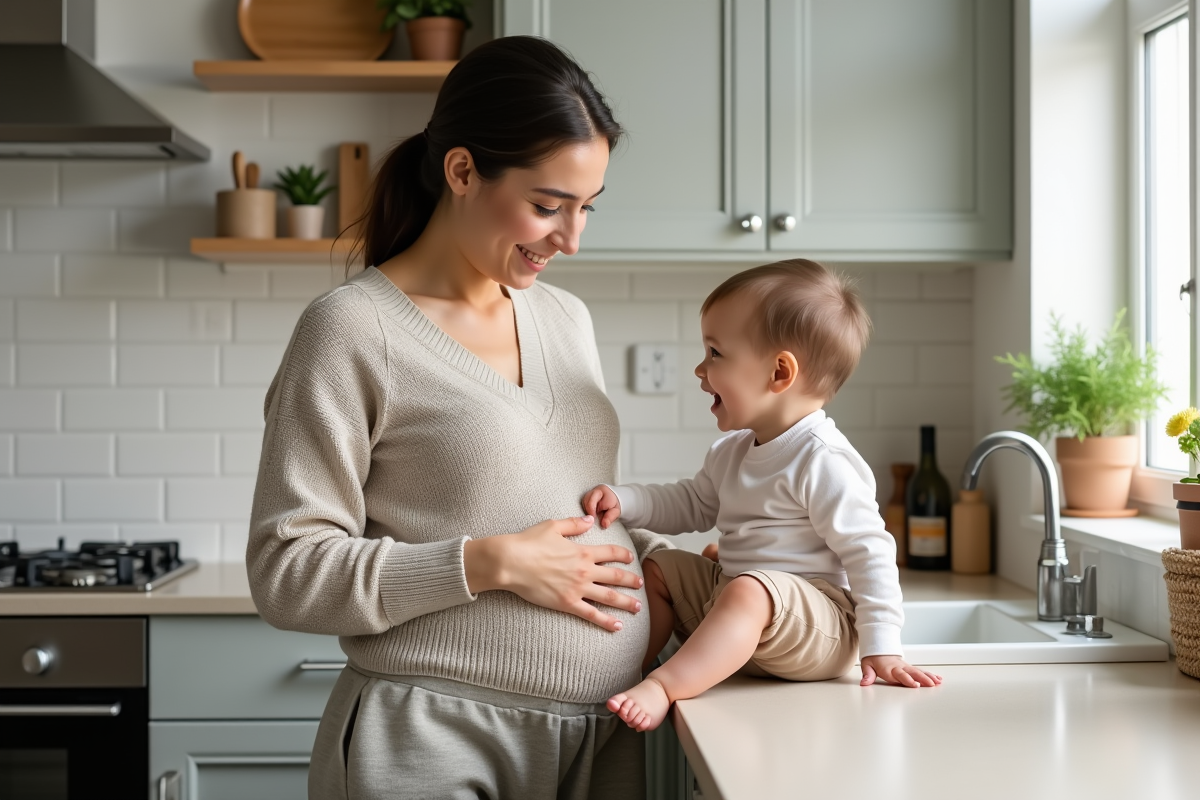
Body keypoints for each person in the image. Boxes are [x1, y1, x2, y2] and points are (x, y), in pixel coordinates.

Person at [246, 36, 668, 800]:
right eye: (547, 206)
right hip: (432, 739)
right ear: (463, 171)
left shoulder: (567, 320)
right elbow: (287, 572)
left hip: (603, 734)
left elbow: (575, 510)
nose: (571, 240)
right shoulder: (351, 330)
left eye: (586, 210)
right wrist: (490, 563)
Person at [582, 259, 943, 733]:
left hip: (819, 625)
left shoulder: (824, 458)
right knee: (662, 567)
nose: (699, 368)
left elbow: (870, 551)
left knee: (749, 589)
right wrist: (625, 500)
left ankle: (665, 686)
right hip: (742, 603)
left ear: (779, 371)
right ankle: (624, 671)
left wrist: (883, 647)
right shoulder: (732, 451)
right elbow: (691, 503)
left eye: (715, 352)